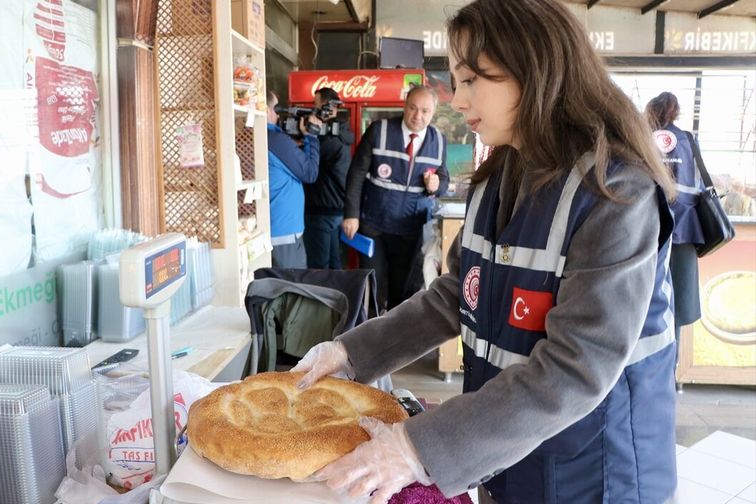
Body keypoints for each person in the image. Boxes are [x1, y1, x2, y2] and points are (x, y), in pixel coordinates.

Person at [291, 1, 679, 503]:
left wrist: (415, 448)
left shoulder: (615, 193)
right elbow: (457, 295)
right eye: (455, 81)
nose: (456, 99)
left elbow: (577, 366)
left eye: (473, 80)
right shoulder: (499, 176)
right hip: (505, 456)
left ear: (535, 69)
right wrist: (352, 353)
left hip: (597, 471)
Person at [343, 85, 449, 310]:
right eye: (412, 108)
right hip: (374, 225)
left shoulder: (439, 141)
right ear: (404, 105)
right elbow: (356, 174)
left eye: (425, 111)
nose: (417, 116)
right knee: (373, 284)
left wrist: (436, 186)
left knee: (402, 289)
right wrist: (351, 214)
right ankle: (368, 334)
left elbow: (444, 180)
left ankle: (391, 337)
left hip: (410, 229)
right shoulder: (378, 130)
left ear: (433, 113)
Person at [645, 92, 704, 368]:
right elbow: (700, 185)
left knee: (646, 303)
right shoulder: (688, 140)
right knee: (676, 307)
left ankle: (648, 370)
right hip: (685, 232)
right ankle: (672, 371)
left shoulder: (643, 139)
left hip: (650, 232)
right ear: (676, 112)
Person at [266, 90, 322, 268]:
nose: (277, 115)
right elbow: (310, 173)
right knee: (292, 288)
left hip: (267, 229)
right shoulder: (276, 140)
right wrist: (311, 137)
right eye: (275, 109)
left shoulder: (249, 136)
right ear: (265, 110)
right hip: (284, 233)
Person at [303, 87, 355, 269]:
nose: (313, 109)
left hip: (321, 209)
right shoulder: (341, 133)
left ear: (328, 107)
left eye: (316, 105)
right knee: (334, 264)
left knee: (319, 268)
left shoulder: (328, 138)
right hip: (335, 210)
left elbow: (304, 163)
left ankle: (321, 298)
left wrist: (309, 135)